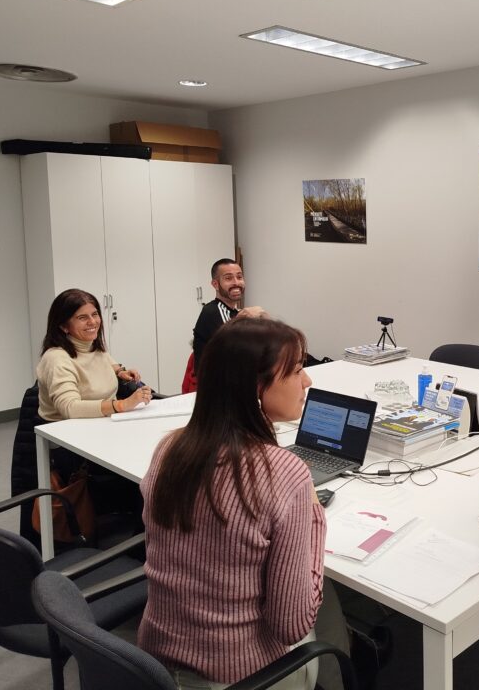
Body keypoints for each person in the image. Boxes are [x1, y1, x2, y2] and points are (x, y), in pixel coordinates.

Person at [139, 317, 327, 689]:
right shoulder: (286, 473)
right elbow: (291, 626)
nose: (307, 381)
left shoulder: (169, 447)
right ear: (256, 388)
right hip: (239, 676)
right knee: (325, 610)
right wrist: (315, 519)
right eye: (296, 371)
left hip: (155, 665)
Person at [36, 288, 152, 420]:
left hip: (105, 421)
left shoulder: (92, 347)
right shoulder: (56, 358)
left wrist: (120, 372)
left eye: (95, 314)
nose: (92, 322)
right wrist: (122, 405)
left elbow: (107, 363)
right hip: (67, 428)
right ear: (63, 326)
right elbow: (70, 408)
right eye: (82, 317)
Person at [189, 258, 266, 387]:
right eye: (228, 278)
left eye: (239, 277)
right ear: (215, 284)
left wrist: (264, 317)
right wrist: (241, 319)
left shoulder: (236, 312)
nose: (236, 282)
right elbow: (231, 349)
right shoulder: (212, 311)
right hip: (218, 387)